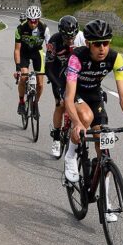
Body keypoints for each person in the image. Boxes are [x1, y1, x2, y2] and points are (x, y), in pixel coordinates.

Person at [62, 20, 123, 221]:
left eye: (106, 43)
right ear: (88, 43)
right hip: (74, 92)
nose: (102, 48)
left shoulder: (116, 59)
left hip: (94, 94)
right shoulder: (76, 58)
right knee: (86, 117)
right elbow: (68, 96)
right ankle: (70, 156)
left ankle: (106, 201)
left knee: (104, 144)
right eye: (97, 44)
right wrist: (78, 124)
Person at [44, 15, 85, 157]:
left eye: (72, 37)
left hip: (75, 76)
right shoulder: (54, 41)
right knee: (60, 105)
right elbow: (48, 68)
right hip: (58, 75)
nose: (70, 40)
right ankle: (56, 137)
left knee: (81, 105)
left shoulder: (81, 39)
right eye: (67, 38)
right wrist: (59, 87)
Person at [14, 5, 49, 117]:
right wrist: (18, 68)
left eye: (35, 21)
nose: (33, 23)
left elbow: (49, 48)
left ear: (38, 19)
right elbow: (17, 50)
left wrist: (50, 66)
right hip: (24, 52)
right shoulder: (20, 28)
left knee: (40, 83)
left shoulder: (44, 28)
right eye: (30, 21)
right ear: (27, 19)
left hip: (37, 52)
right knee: (23, 77)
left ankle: (35, 104)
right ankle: (21, 102)